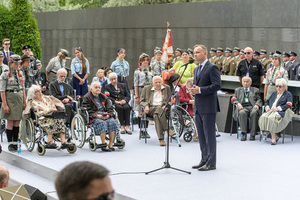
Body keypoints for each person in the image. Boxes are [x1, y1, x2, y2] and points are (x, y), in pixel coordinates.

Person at [189, 44, 221, 171]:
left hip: (209, 107)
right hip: (198, 106)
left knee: (209, 135)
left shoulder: (212, 67)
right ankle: (204, 159)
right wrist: (194, 90)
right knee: (201, 135)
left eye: (197, 52)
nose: (195, 54)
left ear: (205, 53)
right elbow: (197, 87)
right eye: (194, 52)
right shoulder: (197, 69)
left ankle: (211, 162)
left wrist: (200, 90)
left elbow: (217, 85)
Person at [23, 85, 74, 149]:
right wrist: (48, 110)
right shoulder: (33, 102)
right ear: (33, 95)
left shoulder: (46, 99)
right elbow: (38, 113)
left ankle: (63, 142)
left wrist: (54, 110)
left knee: (60, 120)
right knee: (52, 121)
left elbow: (54, 106)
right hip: (42, 118)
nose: (40, 93)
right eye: (38, 92)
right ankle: (49, 141)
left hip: (52, 115)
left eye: (40, 91)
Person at [82, 82, 119, 152]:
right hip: (95, 116)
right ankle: (104, 144)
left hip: (105, 114)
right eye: (96, 88)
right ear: (91, 89)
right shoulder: (87, 97)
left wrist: (108, 115)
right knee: (102, 123)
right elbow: (86, 109)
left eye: (99, 87)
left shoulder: (103, 97)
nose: (98, 89)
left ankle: (110, 144)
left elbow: (110, 107)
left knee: (112, 121)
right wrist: (97, 115)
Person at [0, 55, 26, 152]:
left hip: (18, 97)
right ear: (11, 63)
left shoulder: (20, 73)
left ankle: (15, 142)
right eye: (16, 63)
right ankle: (10, 143)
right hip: (9, 98)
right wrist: (5, 105)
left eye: (19, 63)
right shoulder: (5, 74)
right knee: (10, 121)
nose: (17, 65)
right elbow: (2, 90)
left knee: (17, 121)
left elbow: (22, 88)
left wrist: (24, 101)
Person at [140, 76, 175, 146]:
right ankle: (167, 129)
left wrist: (166, 106)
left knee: (156, 115)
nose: (158, 84)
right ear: (153, 83)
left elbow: (170, 101)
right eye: (156, 82)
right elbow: (141, 101)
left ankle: (161, 139)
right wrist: (146, 105)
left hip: (163, 109)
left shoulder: (166, 88)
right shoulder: (147, 88)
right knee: (158, 110)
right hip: (150, 108)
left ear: (162, 82)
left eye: (159, 82)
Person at [259, 78, 294, 145]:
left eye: (280, 87)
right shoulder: (274, 94)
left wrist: (278, 108)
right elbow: (267, 102)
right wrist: (267, 107)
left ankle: (273, 138)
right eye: (277, 86)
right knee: (263, 117)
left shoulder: (288, 94)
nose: (278, 88)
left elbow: (289, 105)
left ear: (284, 87)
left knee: (271, 118)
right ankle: (267, 132)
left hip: (281, 112)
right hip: (271, 111)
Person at [231, 76, 262, 141]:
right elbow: (233, 99)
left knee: (254, 112)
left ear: (250, 83)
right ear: (242, 83)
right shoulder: (237, 90)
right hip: (243, 107)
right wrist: (238, 103)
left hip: (252, 107)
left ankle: (252, 134)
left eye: (247, 82)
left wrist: (257, 105)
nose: (245, 83)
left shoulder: (255, 90)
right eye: (244, 82)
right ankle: (243, 134)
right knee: (241, 113)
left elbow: (259, 99)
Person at [134, 53, 153, 136]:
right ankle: (141, 130)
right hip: (141, 90)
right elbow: (136, 84)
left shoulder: (151, 71)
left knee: (147, 110)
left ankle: (146, 130)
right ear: (140, 61)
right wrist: (137, 96)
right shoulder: (137, 71)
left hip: (149, 91)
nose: (145, 62)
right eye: (144, 60)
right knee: (140, 111)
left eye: (147, 60)